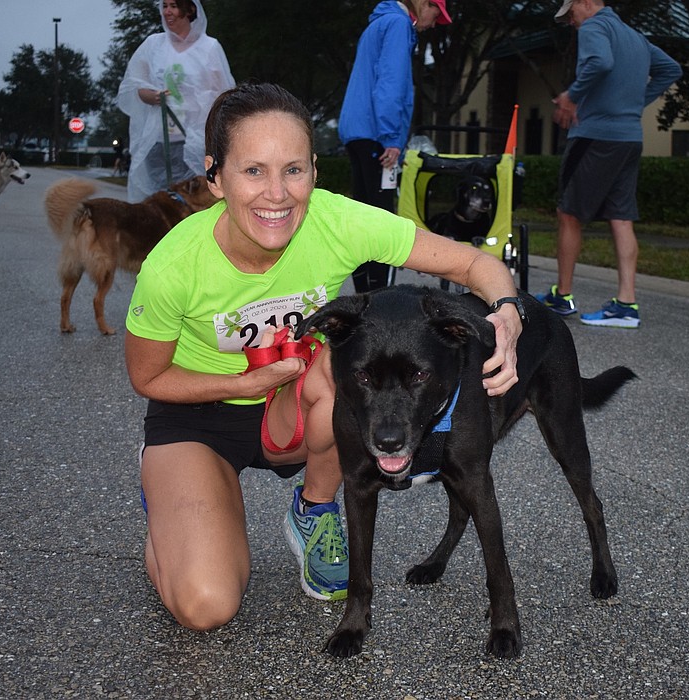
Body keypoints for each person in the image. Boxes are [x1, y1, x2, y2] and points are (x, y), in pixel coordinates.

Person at [123, 81, 524, 631]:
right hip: (200, 416)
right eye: (253, 171)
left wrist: (506, 312)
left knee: (353, 370)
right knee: (207, 605)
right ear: (215, 178)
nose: (277, 194)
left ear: (314, 170)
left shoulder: (337, 221)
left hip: (301, 399)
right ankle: (173, 520)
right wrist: (242, 387)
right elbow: (148, 376)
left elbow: (472, 264)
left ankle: (314, 510)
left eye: (293, 169)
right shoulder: (172, 266)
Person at [536, 0, 681, 328]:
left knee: (568, 213)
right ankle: (626, 305)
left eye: (571, 14)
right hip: (629, 138)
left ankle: (563, 296)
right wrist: (633, 104)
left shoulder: (594, 27)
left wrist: (573, 96)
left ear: (586, 4)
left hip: (596, 137)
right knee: (621, 217)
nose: (572, 23)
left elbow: (600, 62)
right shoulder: (634, 37)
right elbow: (671, 69)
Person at [338, 0, 452, 293]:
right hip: (377, 135)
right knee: (382, 222)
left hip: (358, 132)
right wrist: (391, 138)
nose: (432, 22)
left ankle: (364, 293)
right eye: (435, 13)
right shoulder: (399, 25)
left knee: (363, 218)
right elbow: (390, 83)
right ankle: (379, 297)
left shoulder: (378, 22)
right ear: (423, 4)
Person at [117, 0, 235, 203]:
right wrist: (152, 96)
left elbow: (224, 96)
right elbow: (135, 84)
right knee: (158, 204)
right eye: (164, 6)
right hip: (158, 142)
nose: (167, 12)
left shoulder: (209, 48)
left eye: (173, 6)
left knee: (192, 203)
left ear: (189, 9)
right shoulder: (153, 45)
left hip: (194, 143)